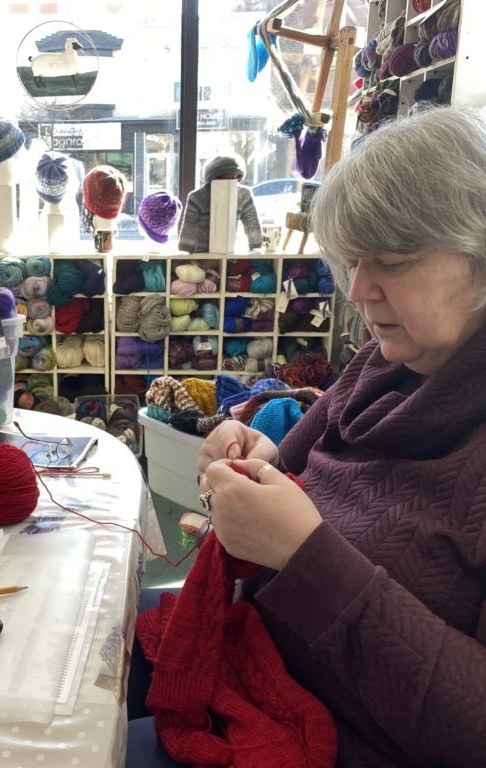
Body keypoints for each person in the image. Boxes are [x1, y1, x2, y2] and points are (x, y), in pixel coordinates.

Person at [128, 104, 486, 767]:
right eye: (353, 259)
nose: (358, 288)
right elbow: (279, 470)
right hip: (254, 667)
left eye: (395, 260)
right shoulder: (384, 366)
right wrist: (246, 463)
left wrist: (304, 555)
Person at [177, 153, 262, 253]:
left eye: (236, 176)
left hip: (229, 253)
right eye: (226, 176)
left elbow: (252, 224)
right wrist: (184, 256)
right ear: (214, 177)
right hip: (201, 254)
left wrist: (256, 249)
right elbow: (189, 228)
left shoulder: (244, 194)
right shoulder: (197, 197)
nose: (232, 179)